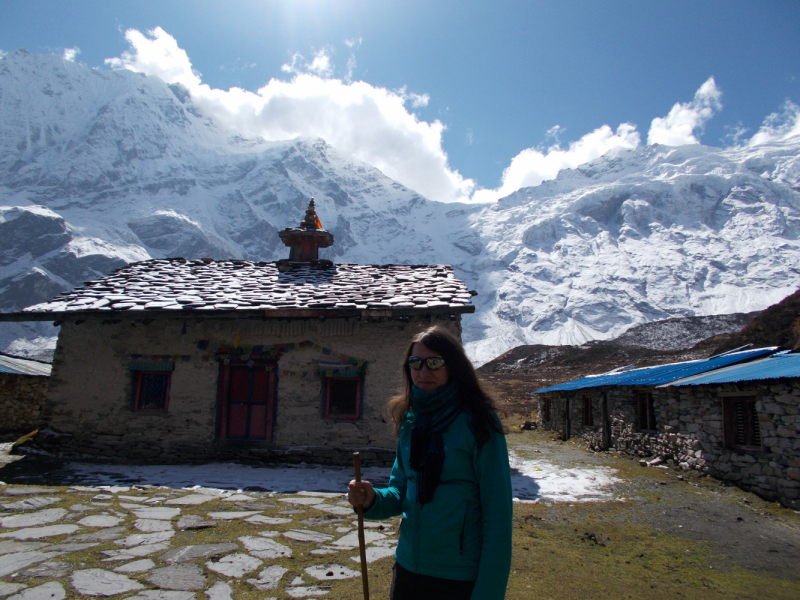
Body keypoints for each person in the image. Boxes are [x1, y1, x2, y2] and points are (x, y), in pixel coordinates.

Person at [348, 326, 512, 600]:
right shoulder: (411, 421)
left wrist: (489, 593)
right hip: (408, 571)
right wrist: (371, 499)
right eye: (416, 363)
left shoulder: (479, 423)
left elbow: (497, 518)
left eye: (434, 363)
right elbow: (401, 490)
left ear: (453, 366)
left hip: (457, 579)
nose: (423, 372)